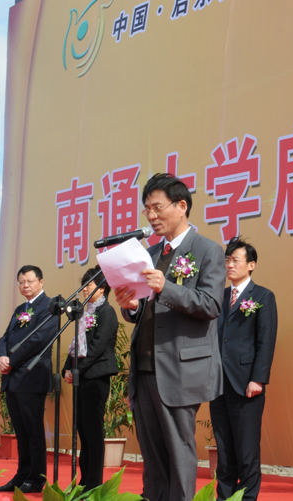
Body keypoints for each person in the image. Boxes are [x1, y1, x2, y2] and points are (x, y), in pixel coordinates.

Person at [114, 173, 226, 501]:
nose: (151, 216)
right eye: (147, 209)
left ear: (181, 206)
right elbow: (142, 310)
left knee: (178, 453)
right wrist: (130, 307)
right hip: (146, 365)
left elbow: (211, 303)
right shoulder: (147, 253)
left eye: (158, 208)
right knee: (152, 455)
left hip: (180, 368)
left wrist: (167, 287)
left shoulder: (207, 250)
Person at [209, 237, 278, 501]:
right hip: (218, 384)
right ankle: (224, 498)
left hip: (246, 384)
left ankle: (247, 499)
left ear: (251, 265)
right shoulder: (220, 296)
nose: (229, 265)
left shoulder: (262, 296)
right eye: (227, 260)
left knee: (247, 451)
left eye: (235, 260)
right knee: (224, 450)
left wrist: (258, 379)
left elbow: (266, 340)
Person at [0, 265, 57, 493]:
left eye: (29, 281)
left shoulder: (49, 307)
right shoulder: (21, 308)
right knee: (20, 430)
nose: (25, 286)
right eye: (21, 282)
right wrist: (0, 355)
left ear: (41, 282)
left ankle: (37, 479)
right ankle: (21, 476)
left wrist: (11, 359)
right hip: (13, 378)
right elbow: (6, 336)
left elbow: (38, 340)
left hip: (31, 375)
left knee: (33, 430)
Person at [62, 265, 119, 491]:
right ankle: (84, 480)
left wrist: (77, 370)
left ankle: (94, 483)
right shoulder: (86, 312)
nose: (84, 290)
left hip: (96, 378)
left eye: (89, 285)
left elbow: (96, 348)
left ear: (102, 288)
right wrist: (68, 366)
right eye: (84, 286)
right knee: (83, 431)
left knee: (94, 432)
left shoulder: (107, 313)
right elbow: (76, 344)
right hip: (82, 377)